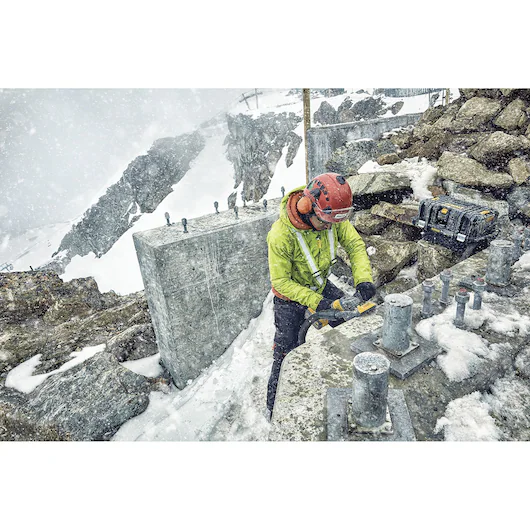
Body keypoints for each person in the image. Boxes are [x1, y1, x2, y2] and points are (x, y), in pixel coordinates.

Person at [266, 172, 375, 417]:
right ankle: (273, 409)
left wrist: (363, 279)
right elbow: (281, 282)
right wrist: (318, 303)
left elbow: (354, 245)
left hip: (320, 286)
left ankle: (355, 381)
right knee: (285, 354)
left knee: (353, 324)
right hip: (289, 298)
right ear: (307, 208)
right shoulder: (281, 235)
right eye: (325, 222)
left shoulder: (330, 216)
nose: (330, 227)